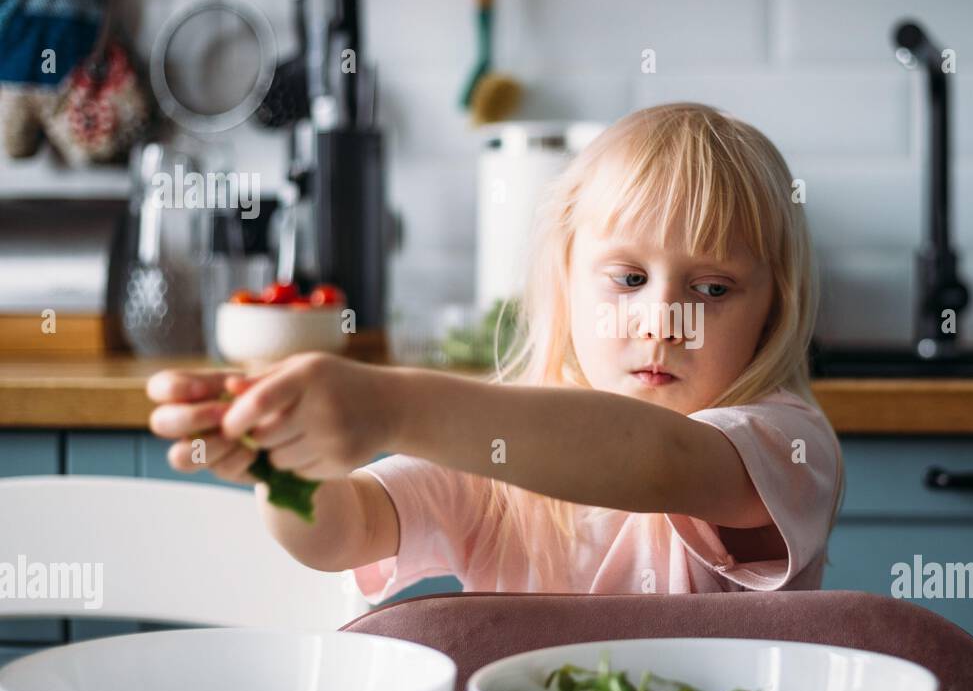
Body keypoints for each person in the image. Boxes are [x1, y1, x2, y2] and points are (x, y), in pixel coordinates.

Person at [147, 102, 845, 598]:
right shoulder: (498, 453)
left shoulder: (786, 447)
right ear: (565, 282)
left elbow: (661, 459)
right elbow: (344, 533)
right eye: (628, 278)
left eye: (714, 289)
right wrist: (287, 468)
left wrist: (389, 404)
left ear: (773, 309)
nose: (662, 321)